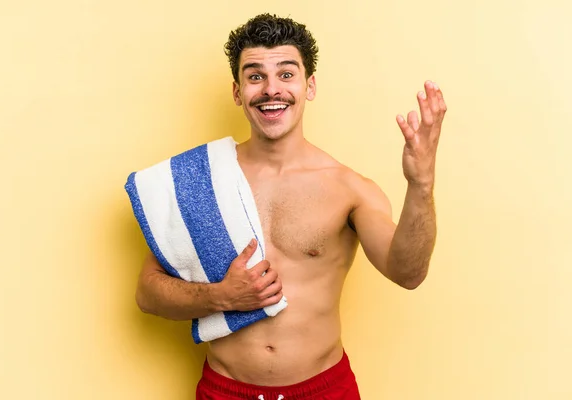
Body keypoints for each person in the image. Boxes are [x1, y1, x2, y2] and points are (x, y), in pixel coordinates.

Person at [134, 13, 447, 400]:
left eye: (286, 74)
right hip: (224, 390)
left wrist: (421, 184)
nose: (270, 90)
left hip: (324, 390)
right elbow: (148, 294)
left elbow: (408, 272)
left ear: (309, 85)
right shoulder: (200, 180)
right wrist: (222, 297)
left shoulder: (348, 188)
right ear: (237, 91)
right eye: (254, 76)